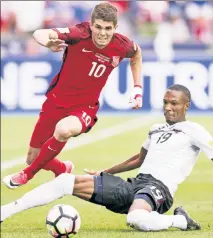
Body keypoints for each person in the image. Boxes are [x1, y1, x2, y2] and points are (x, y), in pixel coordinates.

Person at [1, 84, 213, 232]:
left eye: (174, 103)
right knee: (65, 181)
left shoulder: (194, 130)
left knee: (135, 218)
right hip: (136, 185)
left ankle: (180, 220)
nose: (168, 107)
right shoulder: (155, 129)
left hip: (159, 190)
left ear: (187, 106)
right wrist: (105, 173)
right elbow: (137, 159)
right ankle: (5, 211)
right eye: (165, 102)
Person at [2, 3, 143, 188]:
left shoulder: (121, 45)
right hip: (56, 102)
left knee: (62, 130)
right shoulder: (79, 33)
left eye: (108, 28)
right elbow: (40, 33)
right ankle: (61, 169)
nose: (103, 33)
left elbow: (136, 54)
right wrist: (47, 42)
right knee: (32, 157)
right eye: (98, 27)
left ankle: (26, 175)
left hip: (85, 108)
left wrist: (137, 88)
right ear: (91, 25)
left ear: (115, 28)